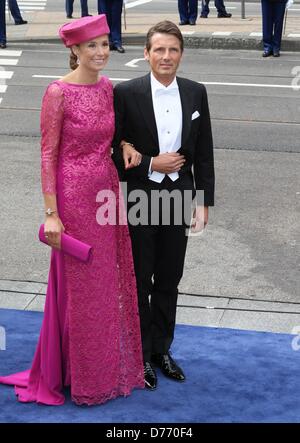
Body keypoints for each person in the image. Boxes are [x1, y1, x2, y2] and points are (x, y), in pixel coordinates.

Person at [0, 15, 144, 406]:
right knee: (81, 287)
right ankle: (82, 375)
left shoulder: (106, 88)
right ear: (74, 50)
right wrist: (51, 213)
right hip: (73, 197)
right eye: (92, 45)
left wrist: (127, 145)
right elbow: (47, 155)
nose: (100, 52)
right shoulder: (57, 93)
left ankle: (101, 365)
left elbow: (111, 136)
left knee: (105, 284)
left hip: (107, 192)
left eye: (104, 44)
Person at [112, 21, 215, 390]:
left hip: (179, 195)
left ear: (181, 54)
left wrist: (202, 201)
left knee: (170, 277)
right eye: (159, 50)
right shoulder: (125, 93)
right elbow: (111, 149)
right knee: (140, 278)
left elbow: (203, 151)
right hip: (141, 194)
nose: (166, 56)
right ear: (146, 54)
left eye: (173, 50)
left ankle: (161, 349)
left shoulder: (195, 92)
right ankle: (139, 356)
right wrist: (151, 162)